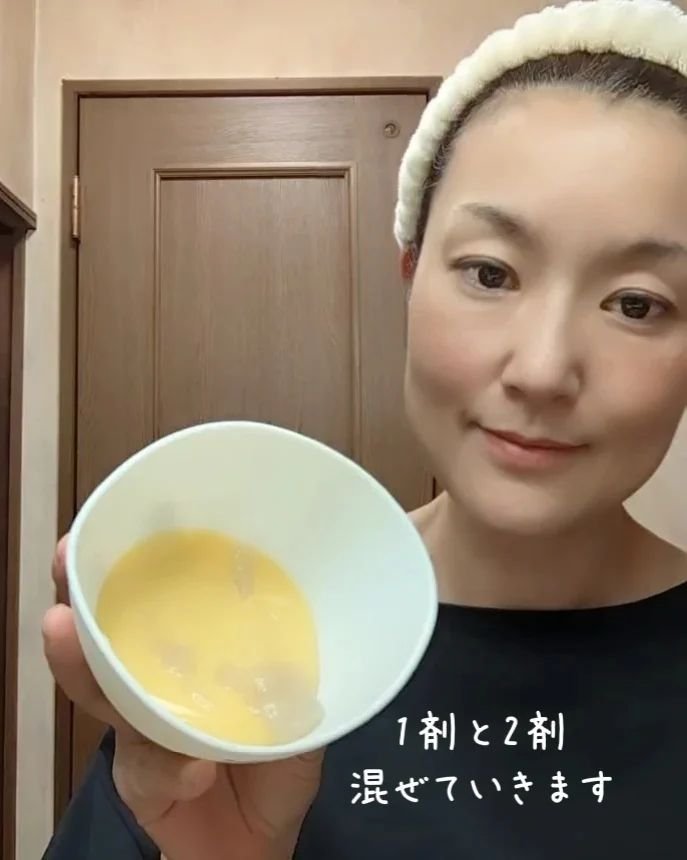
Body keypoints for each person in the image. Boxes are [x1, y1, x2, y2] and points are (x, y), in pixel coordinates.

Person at [42, 0, 687, 857]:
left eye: (635, 304)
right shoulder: (253, 639)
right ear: (410, 274)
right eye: (489, 273)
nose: (541, 369)